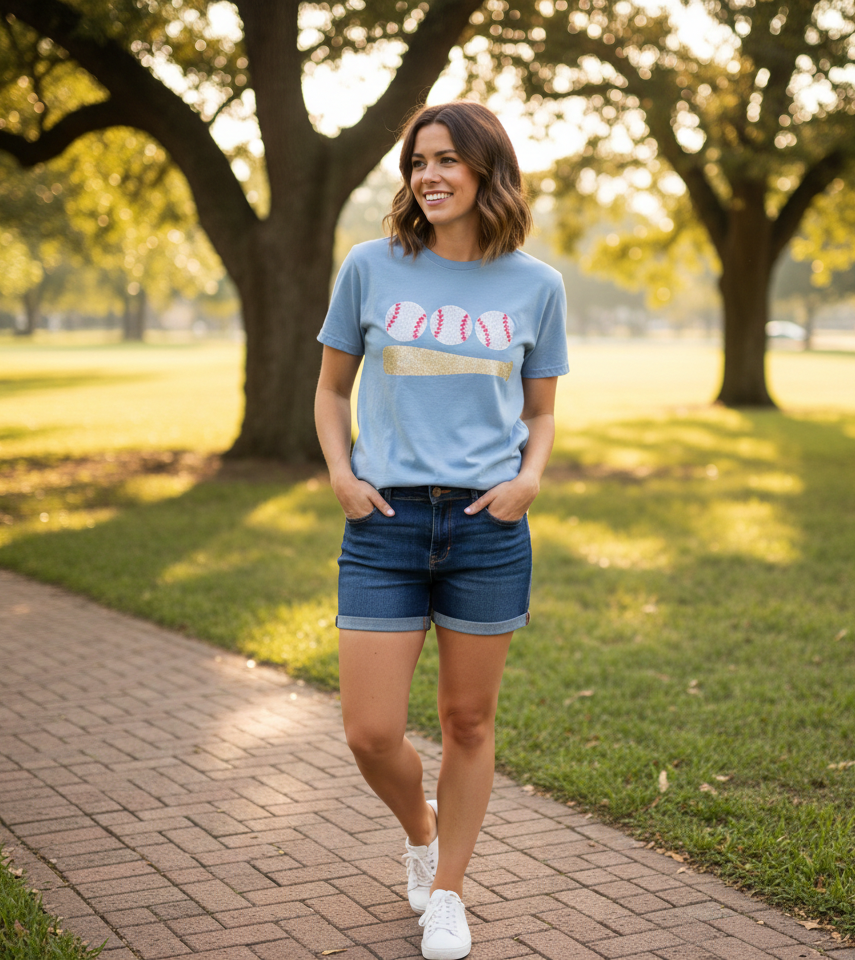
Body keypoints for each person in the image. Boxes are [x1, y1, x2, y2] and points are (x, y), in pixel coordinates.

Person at [314, 100, 569, 960]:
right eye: (418, 161)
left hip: (484, 526)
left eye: (447, 159)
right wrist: (342, 474)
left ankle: (449, 891)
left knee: (467, 722)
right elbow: (331, 390)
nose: (428, 175)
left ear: (487, 170)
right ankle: (421, 830)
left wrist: (528, 479)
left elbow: (540, 410)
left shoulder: (537, 285)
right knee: (370, 732)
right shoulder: (369, 266)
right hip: (384, 523)